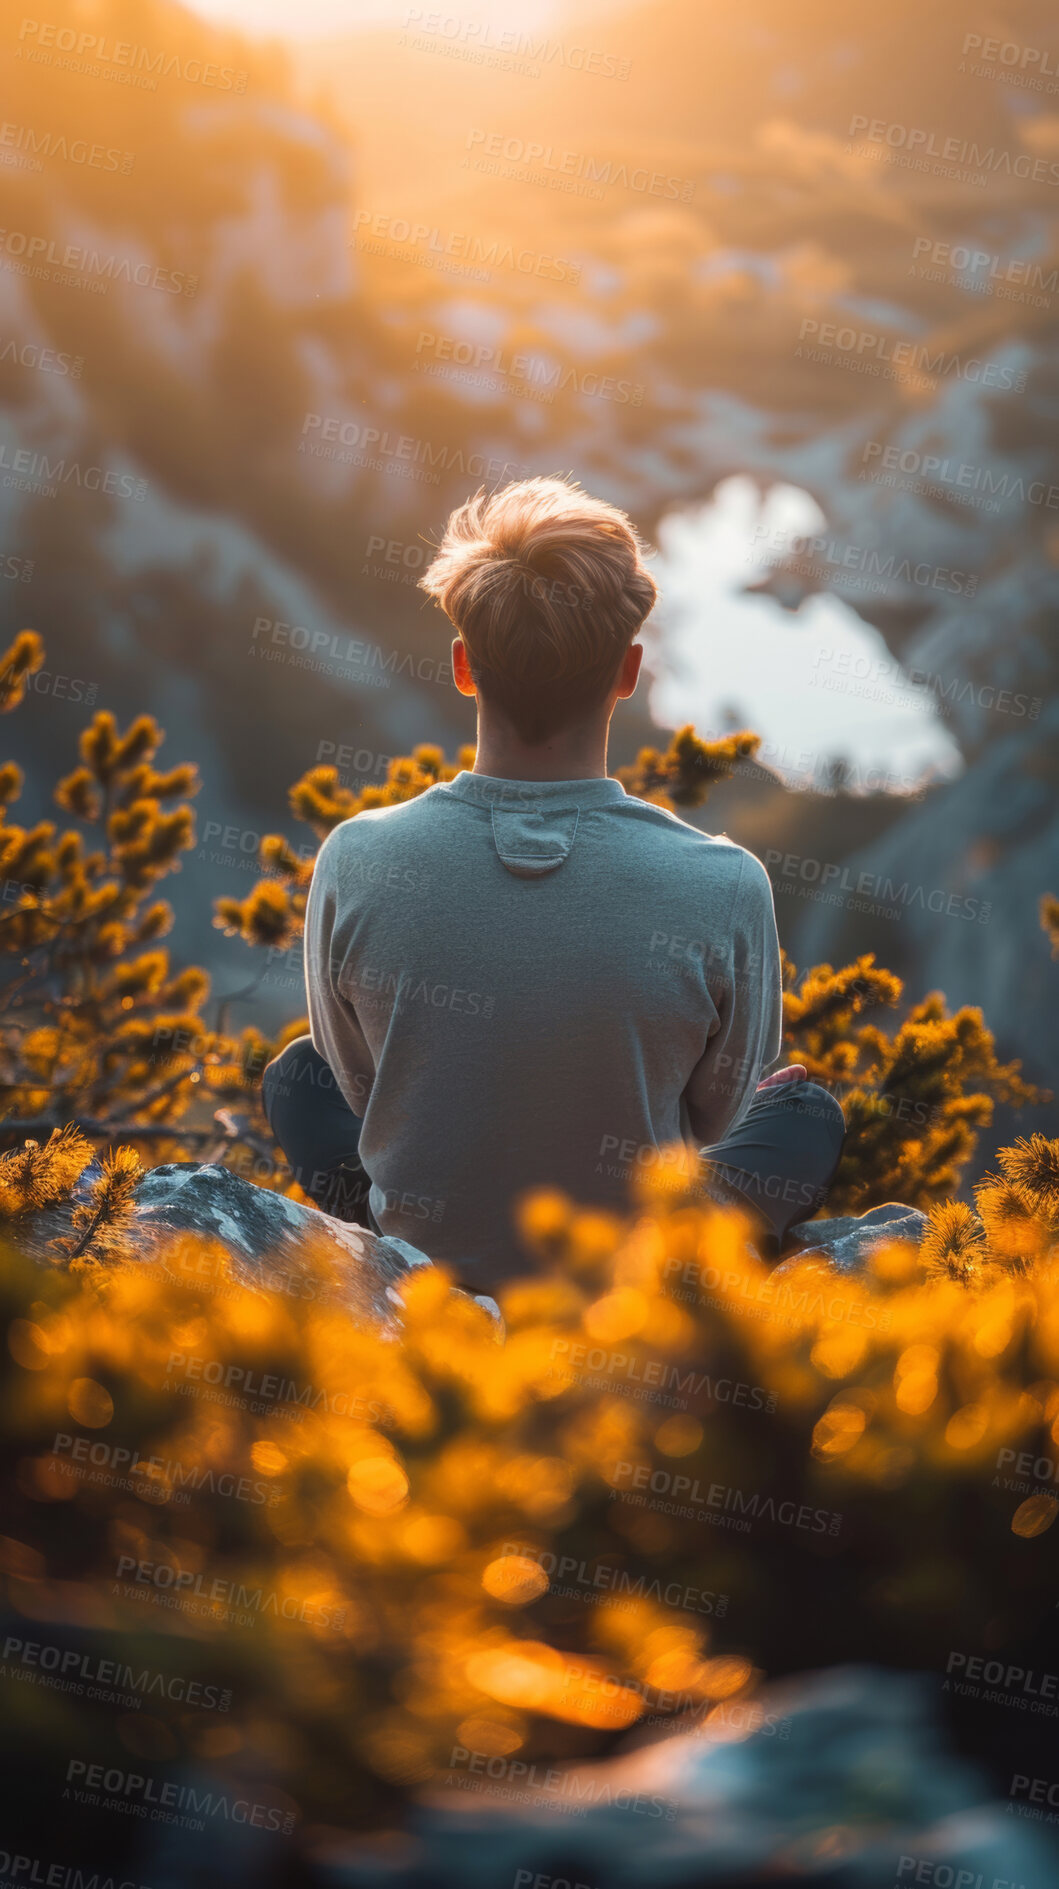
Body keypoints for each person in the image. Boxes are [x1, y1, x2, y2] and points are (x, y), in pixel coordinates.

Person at [263, 476, 844, 1288]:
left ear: (464, 666)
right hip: (623, 1279)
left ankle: (386, 1251)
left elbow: (363, 1090)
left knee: (297, 1075)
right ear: (629, 671)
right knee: (804, 1113)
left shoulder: (358, 855)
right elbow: (716, 1113)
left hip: (428, 1273)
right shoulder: (724, 881)